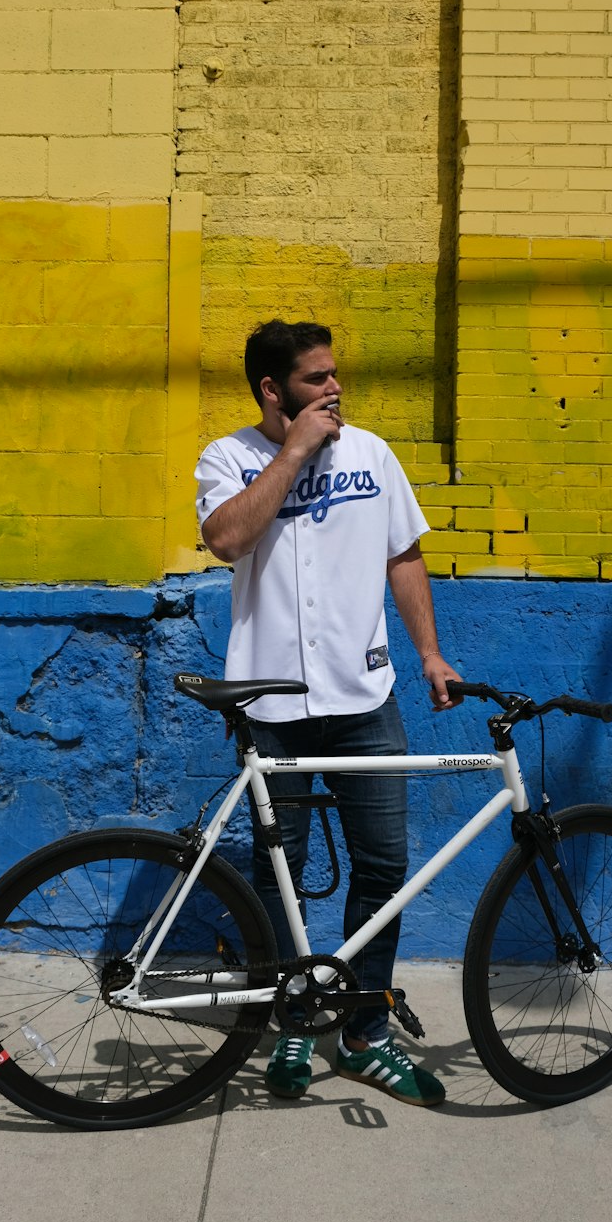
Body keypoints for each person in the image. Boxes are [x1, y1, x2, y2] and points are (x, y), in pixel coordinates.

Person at [195, 319, 461, 1107]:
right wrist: (295, 452)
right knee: (282, 877)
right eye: (316, 379)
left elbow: (403, 557)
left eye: (335, 375)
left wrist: (430, 654)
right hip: (271, 702)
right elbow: (226, 539)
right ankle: (293, 1026)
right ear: (273, 390)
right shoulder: (231, 458)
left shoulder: (373, 454)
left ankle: (364, 1030)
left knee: (382, 864)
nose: (334, 390)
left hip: (363, 698)